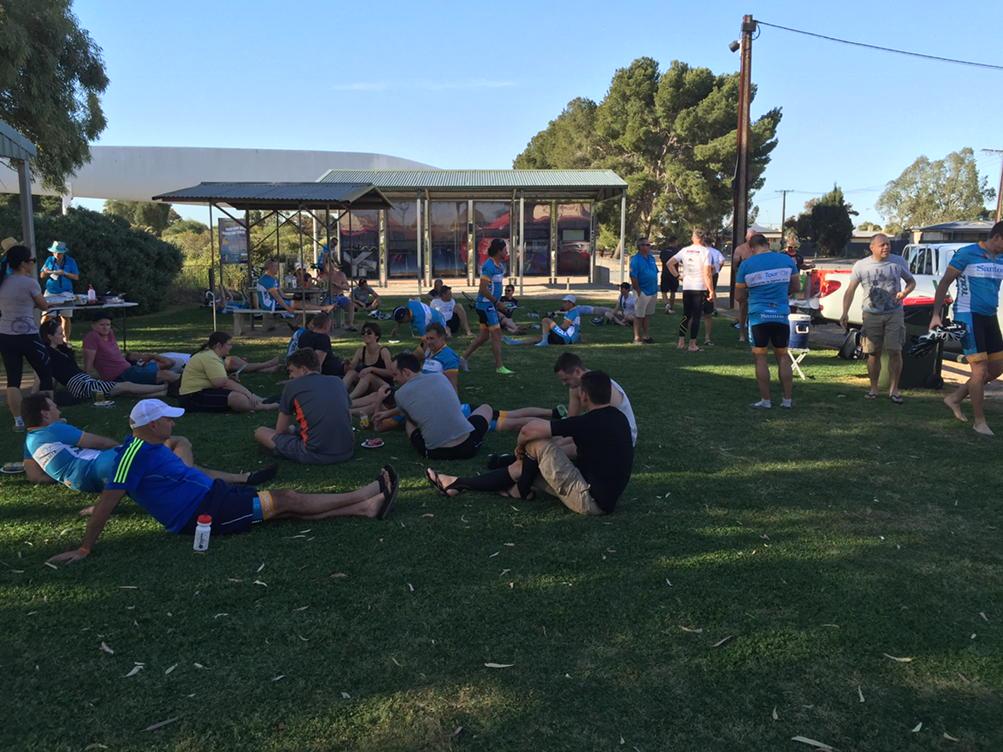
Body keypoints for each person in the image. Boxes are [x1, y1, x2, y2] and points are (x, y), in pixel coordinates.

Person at [46, 399, 399, 565]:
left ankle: (367, 508)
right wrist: (85, 548)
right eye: (167, 419)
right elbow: (109, 501)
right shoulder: (131, 457)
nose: (172, 423)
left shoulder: (146, 445)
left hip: (213, 496)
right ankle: (366, 492)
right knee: (286, 499)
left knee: (284, 511)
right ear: (153, 425)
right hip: (202, 514)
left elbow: (177, 476)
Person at [426, 371, 634, 516]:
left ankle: (520, 491)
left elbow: (529, 430)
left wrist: (519, 449)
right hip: (601, 494)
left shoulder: (588, 421)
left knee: (537, 445)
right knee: (523, 466)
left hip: (590, 500)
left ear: (584, 395)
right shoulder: (619, 418)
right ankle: (458, 484)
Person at [21, 392, 276, 491]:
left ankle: (243, 479)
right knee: (179, 443)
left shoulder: (31, 439)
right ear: (45, 414)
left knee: (174, 452)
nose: (57, 409)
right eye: (53, 407)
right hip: (101, 465)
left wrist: (64, 476)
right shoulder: (54, 430)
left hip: (85, 478)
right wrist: (127, 449)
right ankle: (205, 482)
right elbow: (100, 443)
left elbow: (34, 475)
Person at [930, 220, 1003, 435]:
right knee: (979, 370)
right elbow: (944, 283)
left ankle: (954, 398)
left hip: (990, 316)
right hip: (967, 315)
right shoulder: (966, 254)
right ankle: (979, 421)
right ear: (997, 237)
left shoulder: (1000, 258)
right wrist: (936, 314)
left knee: (996, 369)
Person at [494, 352, 638, 446]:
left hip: (621, 437)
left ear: (577, 371)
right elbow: (571, 420)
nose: (564, 384)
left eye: (566, 379)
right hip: (595, 428)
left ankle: (519, 461)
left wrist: (560, 440)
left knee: (557, 448)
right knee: (542, 430)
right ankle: (494, 422)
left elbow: (606, 425)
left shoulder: (602, 386)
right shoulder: (576, 387)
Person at [839, 234, 916, 403]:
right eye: (882, 245)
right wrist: (844, 312)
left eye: (888, 244)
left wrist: (904, 293)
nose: (886, 247)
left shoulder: (898, 262)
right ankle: (873, 388)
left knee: (895, 351)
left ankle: (894, 390)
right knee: (873, 353)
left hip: (894, 313)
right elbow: (850, 290)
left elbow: (911, 282)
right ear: (872, 247)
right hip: (871, 314)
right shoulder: (862, 265)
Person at [254, 348, 354, 464]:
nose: (290, 376)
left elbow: (280, 430)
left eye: (291, 371)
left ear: (304, 369)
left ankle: (283, 449)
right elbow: (348, 418)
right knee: (294, 429)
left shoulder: (293, 386)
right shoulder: (337, 381)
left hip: (315, 453)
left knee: (260, 432)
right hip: (347, 450)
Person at [734, 234, 800, 409]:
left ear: (750, 248)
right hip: (780, 314)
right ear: (768, 243)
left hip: (758, 316)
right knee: (783, 356)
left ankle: (766, 400)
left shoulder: (746, 265)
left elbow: (739, 296)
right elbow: (796, 287)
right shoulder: (786, 260)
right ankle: (787, 400)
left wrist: (752, 294)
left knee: (760, 357)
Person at [388, 353, 492, 459]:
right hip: (467, 447)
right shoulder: (440, 377)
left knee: (409, 422)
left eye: (395, 375)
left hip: (436, 453)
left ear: (406, 372)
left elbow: (413, 420)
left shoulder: (399, 394)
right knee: (486, 408)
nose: (394, 380)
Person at [39, 319, 167, 400]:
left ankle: (162, 392)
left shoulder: (62, 350)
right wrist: (43, 396)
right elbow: (45, 376)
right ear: (50, 336)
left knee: (122, 391)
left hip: (85, 380)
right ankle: (163, 388)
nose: (63, 336)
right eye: (60, 333)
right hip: (80, 385)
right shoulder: (48, 354)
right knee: (124, 386)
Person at [0, 244, 54, 431]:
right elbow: (44, 305)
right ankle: (48, 418)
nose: (32, 264)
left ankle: (18, 421)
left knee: (13, 379)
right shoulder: (29, 282)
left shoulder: (3, 281)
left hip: (6, 335)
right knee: (45, 374)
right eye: (31, 261)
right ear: (23, 263)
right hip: (28, 335)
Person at [179, 332, 278, 413]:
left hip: (199, 393)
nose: (231, 347)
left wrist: (230, 378)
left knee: (238, 390)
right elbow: (222, 383)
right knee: (238, 397)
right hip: (192, 397)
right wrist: (248, 393)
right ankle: (265, 406)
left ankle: (261, 401)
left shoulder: (211, 355)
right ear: (218, 345)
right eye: (229, 344)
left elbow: (219, 381)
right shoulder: (209, 357)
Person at [463, 238, 514, 375]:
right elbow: (483, 289)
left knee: (484, 336)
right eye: (505, 250)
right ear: (499, 251)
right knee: (496, 334)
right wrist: (497, 303)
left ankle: (462, 358)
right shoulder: (489, 266)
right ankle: (499, 366)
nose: (506, 252)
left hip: (489, 305)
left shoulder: (499, 266)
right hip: (486, 306)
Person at [82, 317, 179, 387]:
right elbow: (88, 365)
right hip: (120, 375)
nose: (106, 327)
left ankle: (184, 382)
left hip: (131, 368)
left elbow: (116, 355)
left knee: (169, 364)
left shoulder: (110, 333)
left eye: (108, 324)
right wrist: (88, 381)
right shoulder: (92, 337)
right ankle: (189, 387)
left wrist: (149, 355)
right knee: (166, 374)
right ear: (93, 326)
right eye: (101, 325)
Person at [669, 228, 716, 352]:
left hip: (687, 287)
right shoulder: (705, 252)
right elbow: (707, 273)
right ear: (703, 239)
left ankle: (680, 341)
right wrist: (711, 290)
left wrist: (678, 276)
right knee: (696, 316)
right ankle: (692, 344)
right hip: (699, 287)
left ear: (693, 238)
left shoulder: (684, 250)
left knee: (686, 315)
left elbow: (669, 263)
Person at [256, 259, 334, 315]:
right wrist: (287, 307)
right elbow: (277, 297)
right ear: (270, 268)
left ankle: (321, 310)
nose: (277, 268)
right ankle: (324, 308)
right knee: (298, 304)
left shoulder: (274, 279)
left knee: (300, 302)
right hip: (269, 304)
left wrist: (292, 298)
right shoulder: (266, 280)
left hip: (275, 302)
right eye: (276, 266)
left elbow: (282, 295)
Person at [39, 240, 80, 341]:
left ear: (64, 253)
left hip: (66, 292)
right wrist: (47, 272)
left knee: (65, 316)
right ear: (53, 252)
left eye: (60, 253)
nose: (58, 255)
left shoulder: (70, 261)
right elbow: (42, 275)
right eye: (56, 252)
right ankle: (43, 338)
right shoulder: (49, 260)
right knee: (46, 316)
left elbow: (76, 277)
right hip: (51, 292)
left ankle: (66, 340)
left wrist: (64, 273)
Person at [344, 322, 394, 397]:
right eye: (363, 333)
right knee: (351, 373)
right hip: (365, 383)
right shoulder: (361, 351)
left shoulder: (383, 351)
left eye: (369, 333)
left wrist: (372, 369)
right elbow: (351, 368)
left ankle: (350, 399)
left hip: (383, 385)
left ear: (376, 336)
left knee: (368, 376)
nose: (365, 335)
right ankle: (337, 394)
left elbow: (391, 373)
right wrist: (347, 365)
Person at [295, 312, 345, 377]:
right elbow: (318, 363)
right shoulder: (322, 339)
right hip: (330, 372)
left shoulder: (304, 335)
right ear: (326, 325)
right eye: (330, 325)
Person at [629, 237, 659, 344]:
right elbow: (633, 276)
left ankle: (646, 336)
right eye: (645, 245)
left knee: (647, 315)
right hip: (642, 291)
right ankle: (637, 337)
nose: (647, 247)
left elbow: (655, 272)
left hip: (653, 291)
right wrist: (638, 291)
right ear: (639, 247)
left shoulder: (651, 258)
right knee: (638, 315)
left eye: (648, 245)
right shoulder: (635, 260)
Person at [415, 322, 462, 390]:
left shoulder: (449, 357)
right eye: (427, 338)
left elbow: (452, 385)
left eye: (432, 338)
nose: (428, 342)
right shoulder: (429, 351)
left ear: (442, 337)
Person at [732, 229, 757, 342]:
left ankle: (755, 332)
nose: (751, 240)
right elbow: (735, 266)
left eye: (754, 238)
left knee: (756, 308)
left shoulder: (758, 249)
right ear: (746, 237)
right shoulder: (740, 249)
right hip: (744, 283)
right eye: (750, 238)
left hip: (757, 282)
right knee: (743, 308)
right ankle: (742, 333)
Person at [318, 259, 357, 330]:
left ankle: (350, 324)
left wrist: (338, 285)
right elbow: (319, 285)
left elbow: (347, 287)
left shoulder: (341, 274)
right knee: (325, 307)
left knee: (351, 304)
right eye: (327, 265)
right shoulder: (324, 275)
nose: (330, 266)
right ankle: (327, 325)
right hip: (329, 297)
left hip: (340, 296)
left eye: (331, 264)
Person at [701, 242, 725, 346]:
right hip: (711, 277)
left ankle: (684, 338)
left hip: (701, 280)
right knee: (711, 292)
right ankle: (707, 338)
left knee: (692, 314)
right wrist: (718, 269)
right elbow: (722, 261)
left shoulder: (703, 252)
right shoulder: (715, 251)